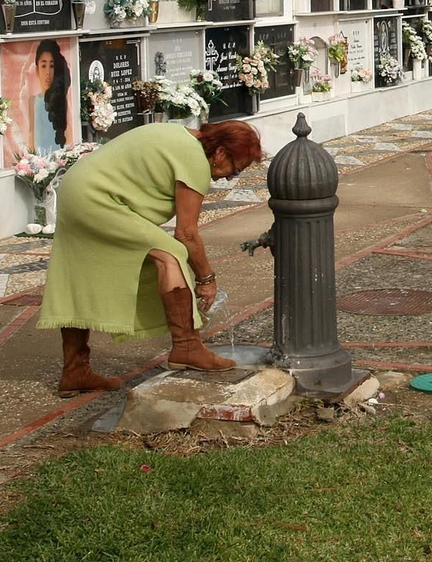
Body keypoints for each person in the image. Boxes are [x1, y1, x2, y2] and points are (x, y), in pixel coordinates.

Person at [37, 120, 263, 394]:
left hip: (77, 189)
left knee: (80, 274)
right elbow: (187, 234)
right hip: (95, 198)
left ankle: (75, 371)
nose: (229, 177)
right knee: (170, 253)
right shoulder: (195, 159)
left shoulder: (182, 136)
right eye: (235, 169)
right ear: (220, 154)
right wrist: (206, 278)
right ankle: (186, 346)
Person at [28, 39, 71, 155]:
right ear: (37, 69)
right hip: (39, 162)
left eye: (51, 66)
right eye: (43, 66)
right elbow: (31, 134)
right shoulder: (33, 101)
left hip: (59, 158)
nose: (48, 72)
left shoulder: (62, 99)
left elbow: (70, 136)